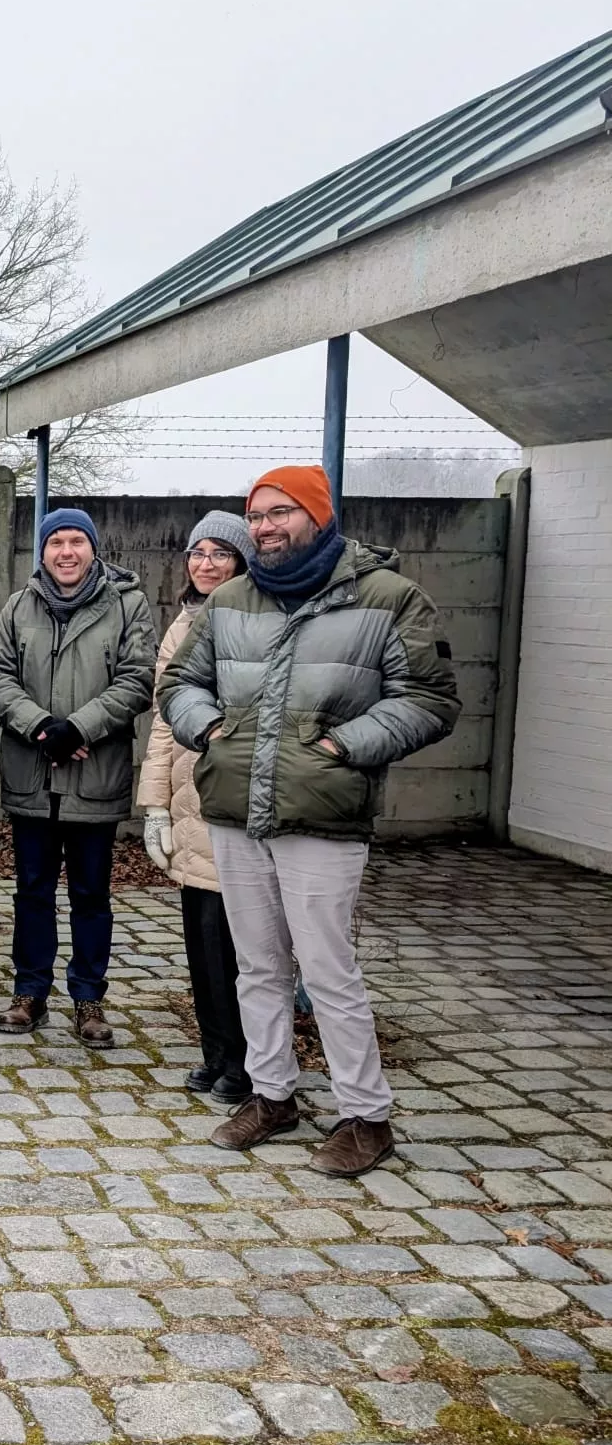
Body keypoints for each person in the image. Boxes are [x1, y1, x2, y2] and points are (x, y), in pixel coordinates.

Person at [161, 465, 459, 1177]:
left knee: (327, 970)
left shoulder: (387, 597)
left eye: (280, 512)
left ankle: (367, 1116)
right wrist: (211, 732)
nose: (264, 526)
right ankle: (272, 1095)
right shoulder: (231, 599)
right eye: (256, 514)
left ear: (318, 516)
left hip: (323, 814)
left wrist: (342, 747)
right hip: (235, 808)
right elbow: (179, 682)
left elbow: (430, 698)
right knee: (257, 965)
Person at [0, 507, 157, 1049]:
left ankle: (88, 998)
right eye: (56, 542)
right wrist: (41, 727)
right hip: (32, 776)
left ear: (93, 548)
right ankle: (30, 991)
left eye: (76, 541)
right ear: (43, 551)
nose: (66, 552)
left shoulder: (126, 605)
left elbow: (138, 678)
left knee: (90, 894)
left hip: (94, 775)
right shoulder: (19, 605)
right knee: (32, 892)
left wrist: (79, 727)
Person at [140, 511, 256, 1103]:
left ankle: (245, 1062)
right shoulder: (181, 624)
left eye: (220, 553)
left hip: (235, 796)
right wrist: (154, 805)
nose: (206, 564)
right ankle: (216, 1053)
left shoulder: (257, 619)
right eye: (197, 553)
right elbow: (164, 722)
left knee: (238, 941)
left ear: (242, 561)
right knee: (201, 938)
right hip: (189, 803)